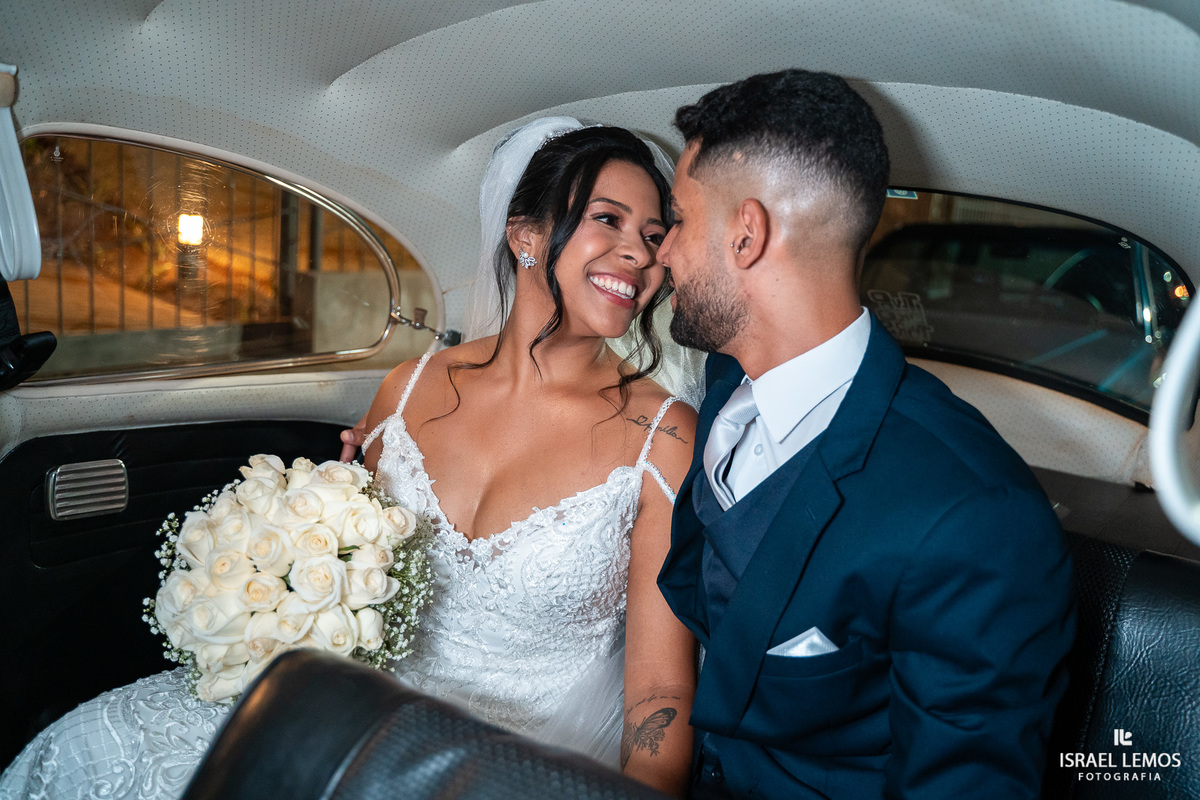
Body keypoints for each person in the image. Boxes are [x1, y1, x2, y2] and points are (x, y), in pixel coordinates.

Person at [0, 119, 699, 799]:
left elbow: (661, 692)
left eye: (652, 235)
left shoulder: (660, 438)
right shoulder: (409, 388)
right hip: (359, 701)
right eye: (607, 219)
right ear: (526, 235)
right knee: (91, 747)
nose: (638, 255)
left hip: (513, 751)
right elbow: (351, 570)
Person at [654, 70, 1075, 799]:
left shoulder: (975, 519)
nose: (662, 252)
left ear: (747, 234)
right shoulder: (724, 382)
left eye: (679, 221)